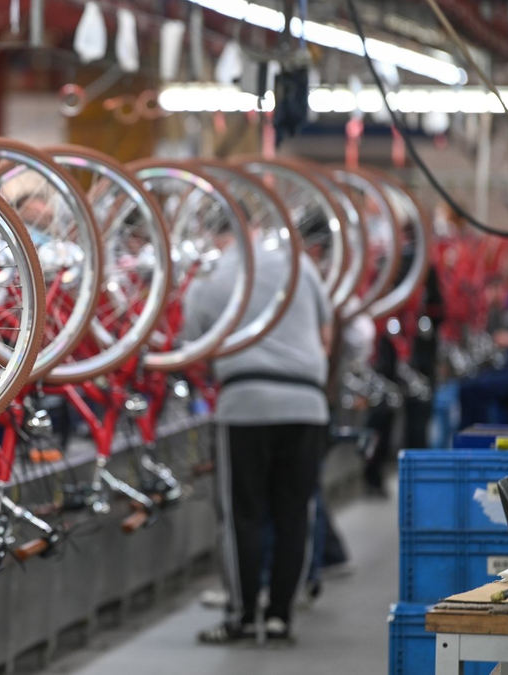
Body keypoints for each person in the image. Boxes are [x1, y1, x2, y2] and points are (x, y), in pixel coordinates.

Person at [185, 210, 333, 645]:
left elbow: (191, 344)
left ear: (214, 236)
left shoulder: (211, 275)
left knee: (241, 516)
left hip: (245, 402)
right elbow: (327, 326)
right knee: (295, 513)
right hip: (307, 402)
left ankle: (243, 616)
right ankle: (281, 616)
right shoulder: (298, 262)